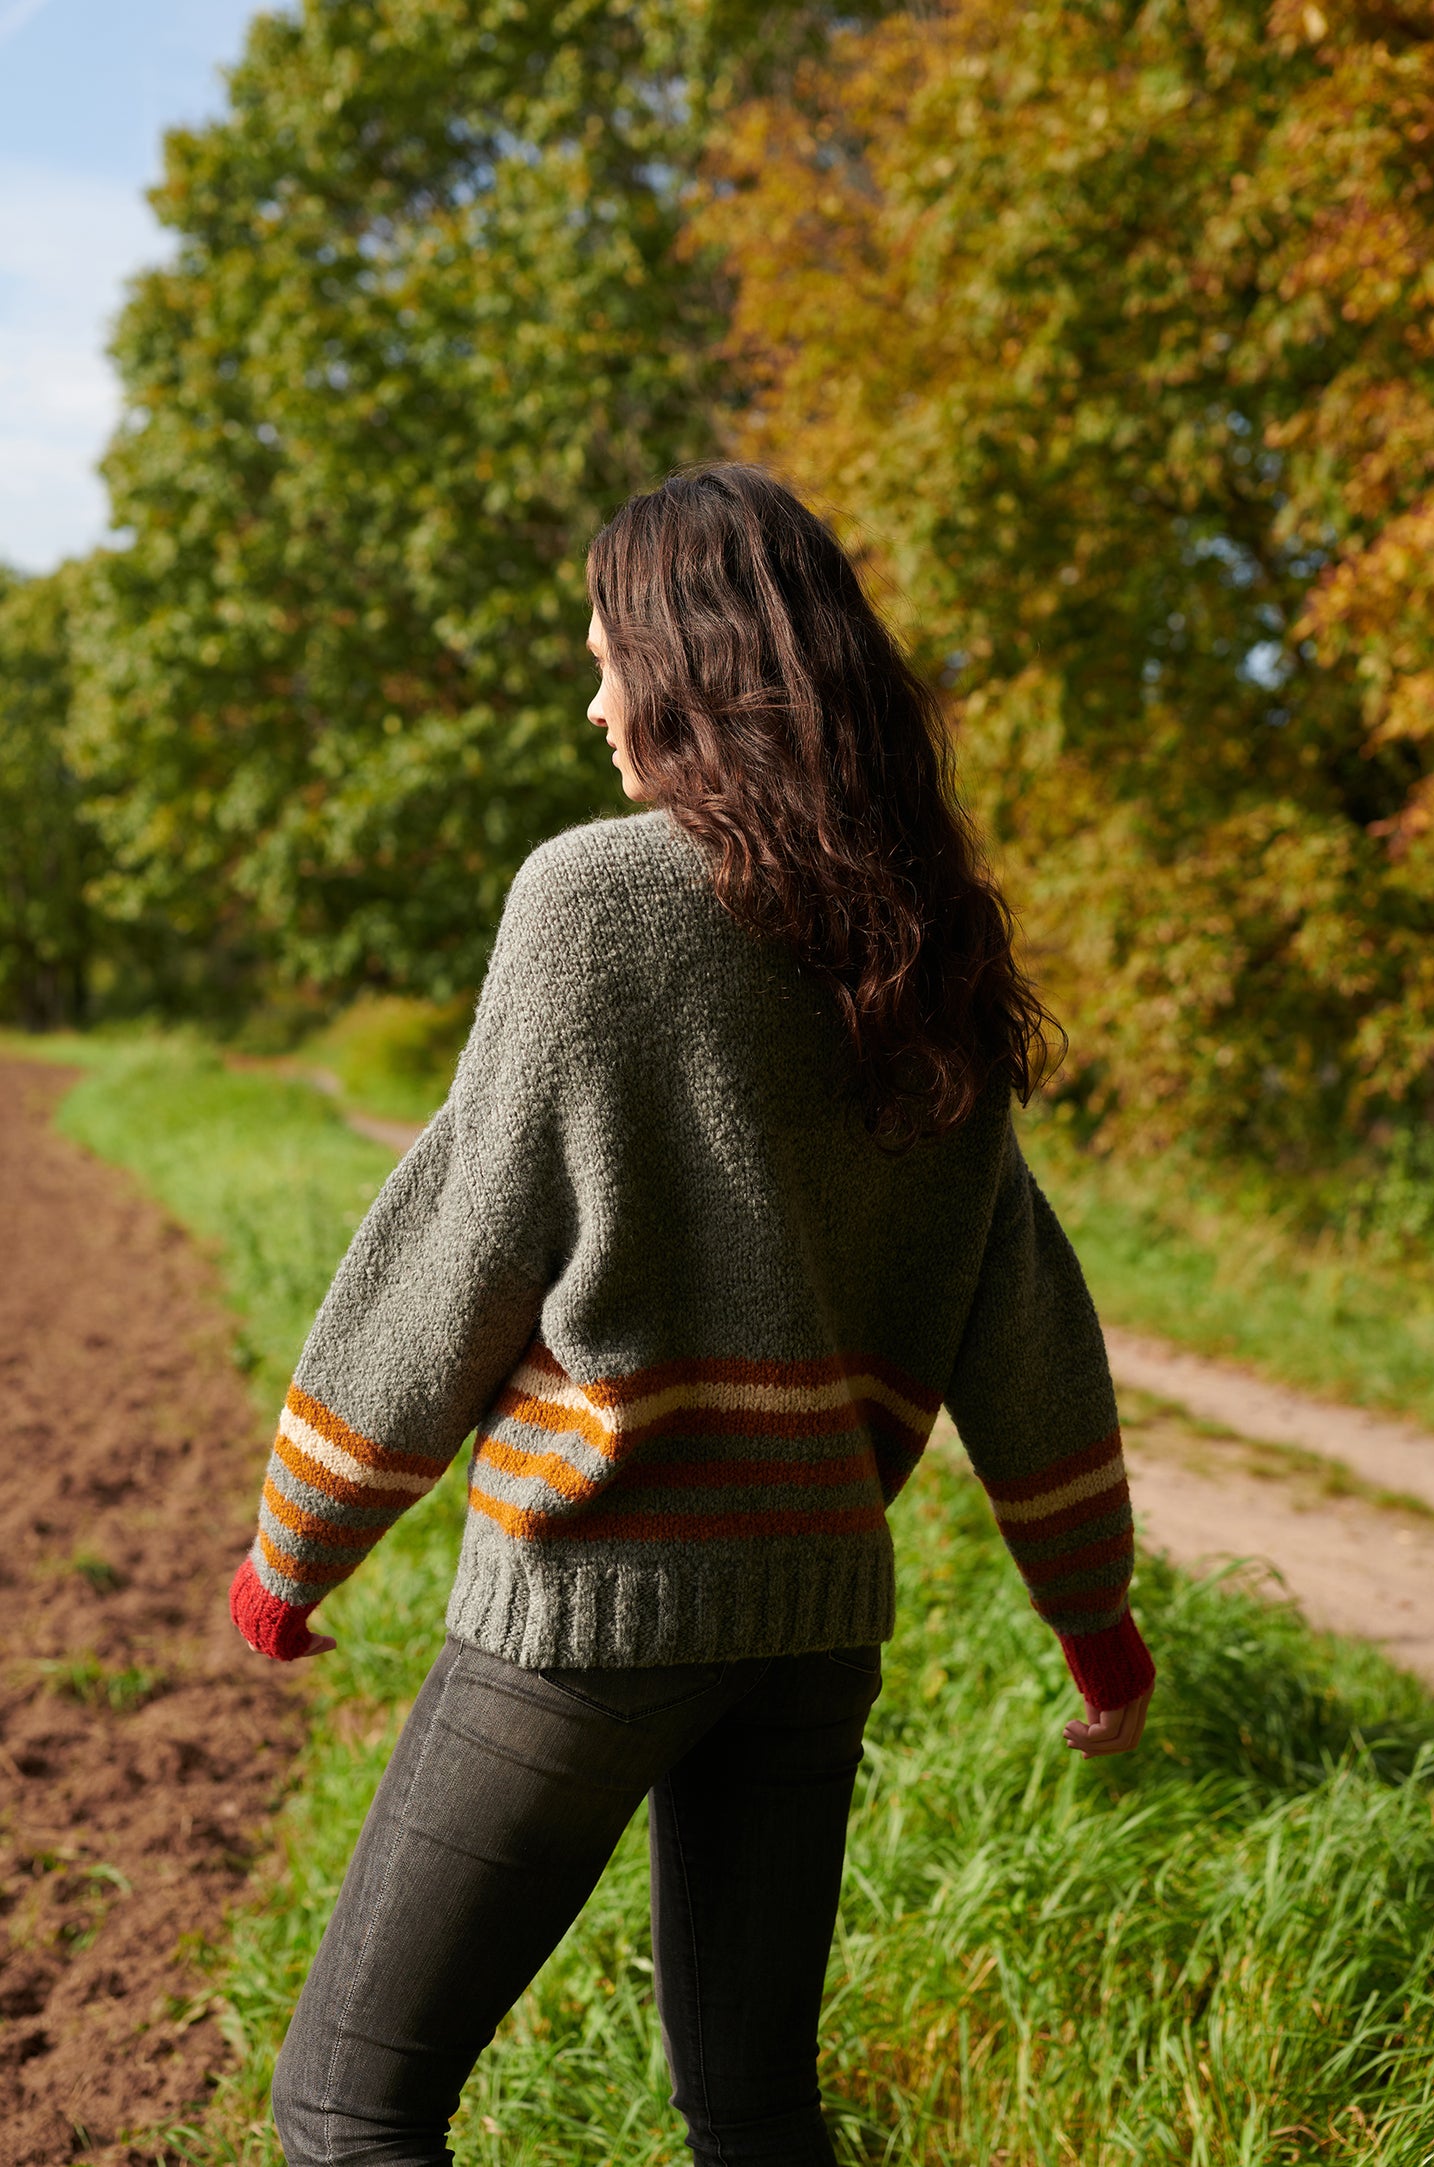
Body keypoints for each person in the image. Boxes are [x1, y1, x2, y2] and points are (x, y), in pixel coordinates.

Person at [229, 463, 1155, 2167]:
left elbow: (461, 1240)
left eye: (607, 665)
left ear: (689, 670)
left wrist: (296, 1542)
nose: (593, 707)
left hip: (595, 1606)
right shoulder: (916, 932)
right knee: (749, 2111)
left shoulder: (590, 899)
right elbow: (1020, 1310)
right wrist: (1091, 1619)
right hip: (812, 1623)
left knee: (347, 2111)